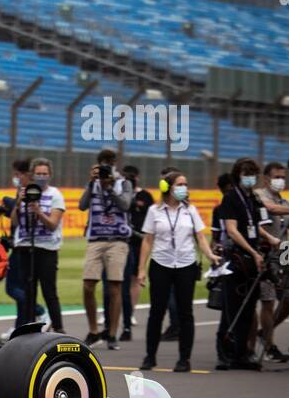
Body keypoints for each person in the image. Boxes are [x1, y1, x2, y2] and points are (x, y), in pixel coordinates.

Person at [137, 172, 220, 372]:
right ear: (167, 187)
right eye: (180, 184)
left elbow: (200, 237)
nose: (185, 187)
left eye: (186, 184)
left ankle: (184, 359)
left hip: (186, 264)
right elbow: (147, 240)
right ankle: (150, 356)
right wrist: (141, 269)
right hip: (161, 264)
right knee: (156, 312)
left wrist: (210, 256)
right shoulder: (154, 211)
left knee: (185, 313)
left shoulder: (190, 210)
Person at [217, 158, 279, 370]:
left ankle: (242, 353)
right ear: (238, 174)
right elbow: (233, 230)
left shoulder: (251, 198)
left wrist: (271, 239)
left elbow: (254, 226)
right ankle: (225, 354)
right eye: (246, 173)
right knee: (232, 309)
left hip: (252, 261)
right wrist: (253, 252)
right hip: (236, 259)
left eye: (253, 173)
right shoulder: (231, 198)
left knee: (248, 309)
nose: (250, 176)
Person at [80, 148, 134, 350]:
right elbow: (82, 205)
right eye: (103, 163)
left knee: (114, 287)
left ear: (115, 164)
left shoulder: (124, 183)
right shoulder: (93, 183)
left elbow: (125, 205)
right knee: (88, 285)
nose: (107, 166)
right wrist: (92, 182)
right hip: (96, 238)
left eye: (110, 162)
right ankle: (94, 331)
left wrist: (110, 187)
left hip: (117, 239)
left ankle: (112, 333)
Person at [254, 162, 289, 363]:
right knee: (268, 299)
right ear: (266, 178)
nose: (280, 181)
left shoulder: (288, 202)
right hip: (265, 250)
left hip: (285, 249)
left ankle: (264, 332)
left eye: (283, 177)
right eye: (276, 177)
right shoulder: (258, 196)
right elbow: (270, 209)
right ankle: (270, 343)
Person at [13, 158, 65, 332]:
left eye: (45, 174)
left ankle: (58, 328)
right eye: (38, 174)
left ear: (50, 175)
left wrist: (38, 211)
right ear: (32, 174)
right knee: (28, 292)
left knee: (49, 291)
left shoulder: (55, 194)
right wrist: (19, 202)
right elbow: (14, 221)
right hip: (25, 248)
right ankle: (29, 329)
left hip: (47, 249)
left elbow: (53, 224)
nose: (41, 177)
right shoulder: (23, 192)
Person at [117, 164, 153, 342]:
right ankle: (115, 310)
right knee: (117, 279)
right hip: (122, 240)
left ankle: (130, 311)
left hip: (139, 241)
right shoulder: (122, 194)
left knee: (135, 277)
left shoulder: (145, 196)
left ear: (138, 177)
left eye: (132, 176)